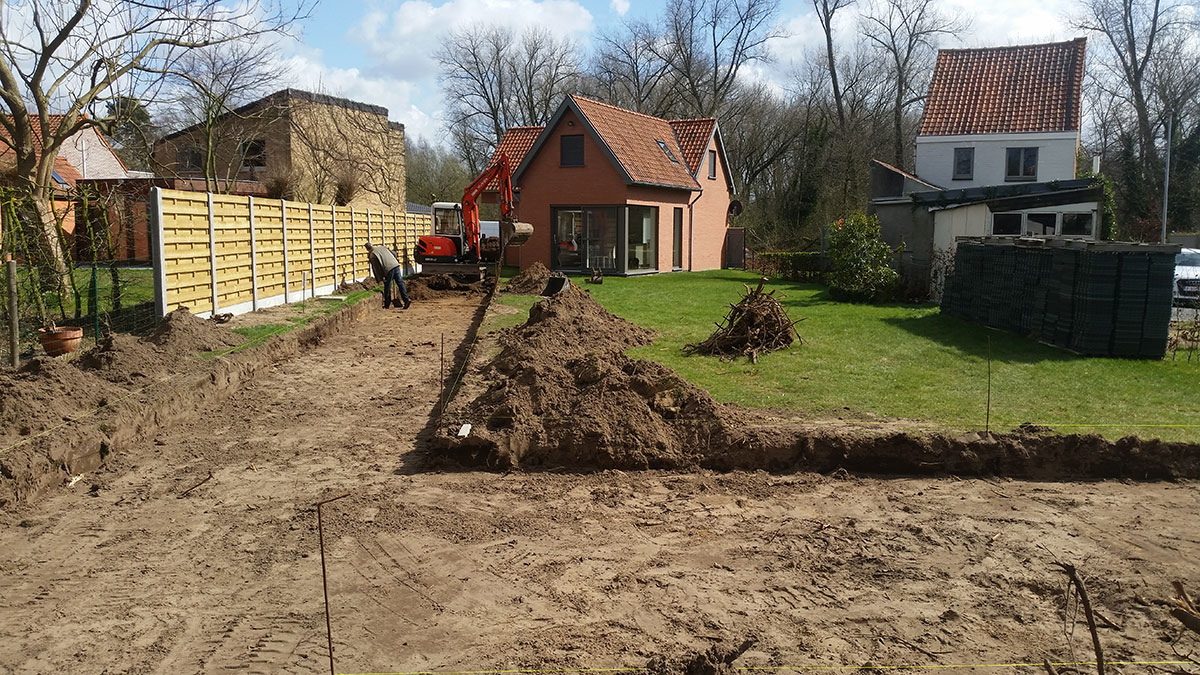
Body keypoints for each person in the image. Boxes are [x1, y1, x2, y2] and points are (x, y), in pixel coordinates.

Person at [364, 241, 411, 309]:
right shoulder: (383, 247)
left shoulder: (372, 255)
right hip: (396, 265)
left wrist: (380, 279)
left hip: (388, 269)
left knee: (387, 285)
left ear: (367, 249)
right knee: (400, 283)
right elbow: (394, 253)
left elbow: (376, 268)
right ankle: (406, 300)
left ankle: (387, 304)